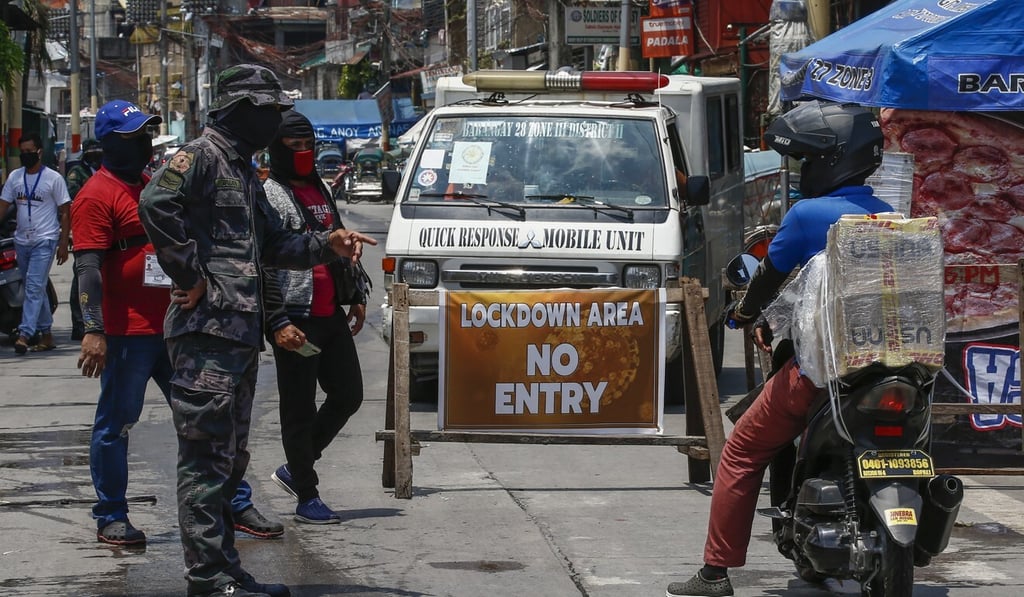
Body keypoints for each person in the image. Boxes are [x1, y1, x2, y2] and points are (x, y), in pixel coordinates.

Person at [139, 64, 376, 597]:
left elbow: (272, 248)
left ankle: (226, 567)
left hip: (240, 335)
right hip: (207, 334)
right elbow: (155, 203)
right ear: (242, 109)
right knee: (204, 457)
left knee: (228, 456)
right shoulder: (200, 156)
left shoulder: (245, 170)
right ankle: (206, 577)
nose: (275, 120)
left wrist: (327, 246)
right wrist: (189, 272)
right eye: (268, 110)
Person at [666, 101, 892, 597]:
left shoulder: (809, 215)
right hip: (894, 370)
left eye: (808, 162)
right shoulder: (891, 215)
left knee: (742, 450)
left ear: (831, 162)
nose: (805, 171)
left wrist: (743, 315)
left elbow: (768, 280)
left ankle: (715, 572)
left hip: (824, 374)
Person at [74, 99, 283, 549]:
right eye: (136, 136)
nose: (147, 142)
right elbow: (88, 267)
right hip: (128, 333)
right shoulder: (95, 195)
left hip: (178, 326)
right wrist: (93, 328)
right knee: (117, 425)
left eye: (149, 133)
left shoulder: (155, 183)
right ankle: (111, 514)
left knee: (213, 420)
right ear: (110, 143)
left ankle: (235, 503)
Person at [262, 110, 368, 524]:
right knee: (298, 406)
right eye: (295, 148)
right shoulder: (271, 195)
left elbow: (340, 242)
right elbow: (267, 264)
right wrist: (277, 321)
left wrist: (355, 293)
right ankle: (307, 494)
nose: (304, 154)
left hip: (330, 312)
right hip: (296, 316)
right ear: (277, 149)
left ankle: (297, 466)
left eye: (309, 146)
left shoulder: (320, 188)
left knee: (349, 394)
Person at [0, 131, 71, 354]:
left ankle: (25, 333)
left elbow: (66, 211)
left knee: (32, 286)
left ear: (39, 152)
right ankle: (47, 335)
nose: (26, 156)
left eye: (29, 152)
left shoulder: (53, 178)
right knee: (36, 288)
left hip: (45, 239)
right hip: (22, 241)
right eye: (23, 152)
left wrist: (62, 243)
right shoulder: (15, 178)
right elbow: (3, 205)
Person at [65, 137, 103, 341]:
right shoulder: (77, 172)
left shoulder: (106, 169)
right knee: (81, 277)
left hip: (104, 230)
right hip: (84, 229)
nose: (97, 154)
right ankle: (80, 324)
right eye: (93, 151)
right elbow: (73, 197)